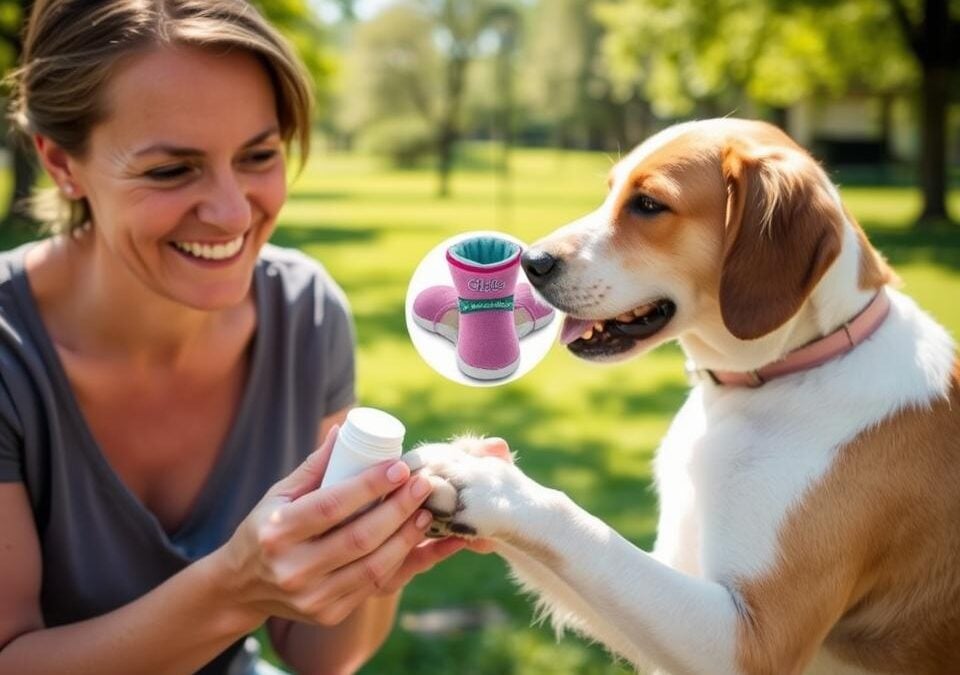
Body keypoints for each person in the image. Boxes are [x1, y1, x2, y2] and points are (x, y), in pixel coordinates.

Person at [0, 1, 475, 672]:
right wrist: (234, 587)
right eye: (171, 170)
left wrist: (375, 551)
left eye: (258, 155)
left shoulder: (305, 314)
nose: (230, 213)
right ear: (60, 163)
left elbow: (319, 655)